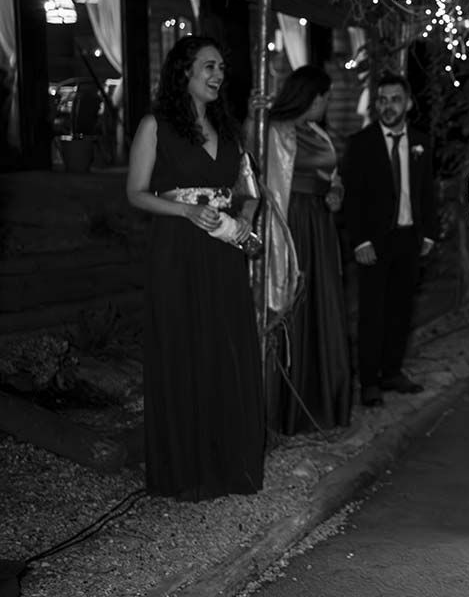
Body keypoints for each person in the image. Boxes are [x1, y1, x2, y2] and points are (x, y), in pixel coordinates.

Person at [125, 35, 264, 500]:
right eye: (209, 66)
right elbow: (136, 193)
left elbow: (246, 191)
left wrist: (243, 220)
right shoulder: (156, 126)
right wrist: (185, 211)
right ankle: (185, 469)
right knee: (184, 348)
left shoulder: (228, 130)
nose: (218, 75)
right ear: (184, 72)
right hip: (176, 253)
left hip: (222, 253)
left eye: (221, 67)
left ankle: (229, 464)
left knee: (225, 349)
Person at [263, 65, 352, 434]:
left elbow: (333, 179)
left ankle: (324, 398)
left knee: (324, 305)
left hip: (320, 225)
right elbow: (263, 183)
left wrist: (335, 193)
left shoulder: (318, 133)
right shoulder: (274, 131)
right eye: (325, 97)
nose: (328, 103)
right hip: (294, 225)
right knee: (295, 306)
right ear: (311, 97)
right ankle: (287, 408)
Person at [341, 72, 436, 407]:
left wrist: (429, 234)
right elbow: (352, 198)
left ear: (408, 103)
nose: (388, 106)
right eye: (382, 99)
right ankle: (369, 381)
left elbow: (427, 191)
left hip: (410, 238)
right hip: (375, 242)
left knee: (401, 310)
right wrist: (360, 241)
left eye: (395, 99)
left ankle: (392, 371)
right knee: (372, 313)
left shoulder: (421, 140)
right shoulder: (362, 143)